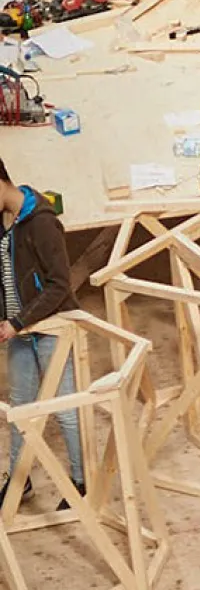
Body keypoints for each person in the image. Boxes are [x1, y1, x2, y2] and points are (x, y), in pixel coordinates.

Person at [0, 163, 83, 505]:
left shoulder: (43, 223)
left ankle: (81, 482)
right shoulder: (4, 224)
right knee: (21, 409)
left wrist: (18, 322)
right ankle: (20, 482)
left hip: (51, 327)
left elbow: (60, 285)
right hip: (19, 331)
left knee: (65, 408)